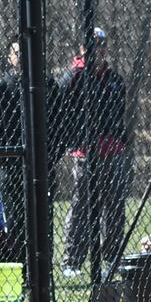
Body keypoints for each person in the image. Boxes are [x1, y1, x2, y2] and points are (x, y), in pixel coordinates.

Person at [55, 29, 129, 278]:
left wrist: (120, 137)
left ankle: (111, 257)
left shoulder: (114, 79)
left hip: (112, 150)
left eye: (102, 44)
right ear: (83, 49)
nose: (99, 49)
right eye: (93, 45)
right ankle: (72, 260)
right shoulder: (73, 77)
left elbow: (121, 113)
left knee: (114, 206)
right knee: (82, 206)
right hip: (85, 152)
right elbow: (60, 110)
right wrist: (71, 137)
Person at [0, 38, 29, 245]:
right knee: (14, 221)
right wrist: (1, 159)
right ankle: (18, 261)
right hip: (10, 167)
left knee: (42, 221)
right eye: (17, 53)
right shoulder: (1, 89)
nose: (22, 57)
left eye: (25, 52)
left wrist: (49, 158)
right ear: (10, 58)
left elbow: (59, 126)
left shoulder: (46, 85)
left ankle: (43, 264)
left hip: (40, 166)